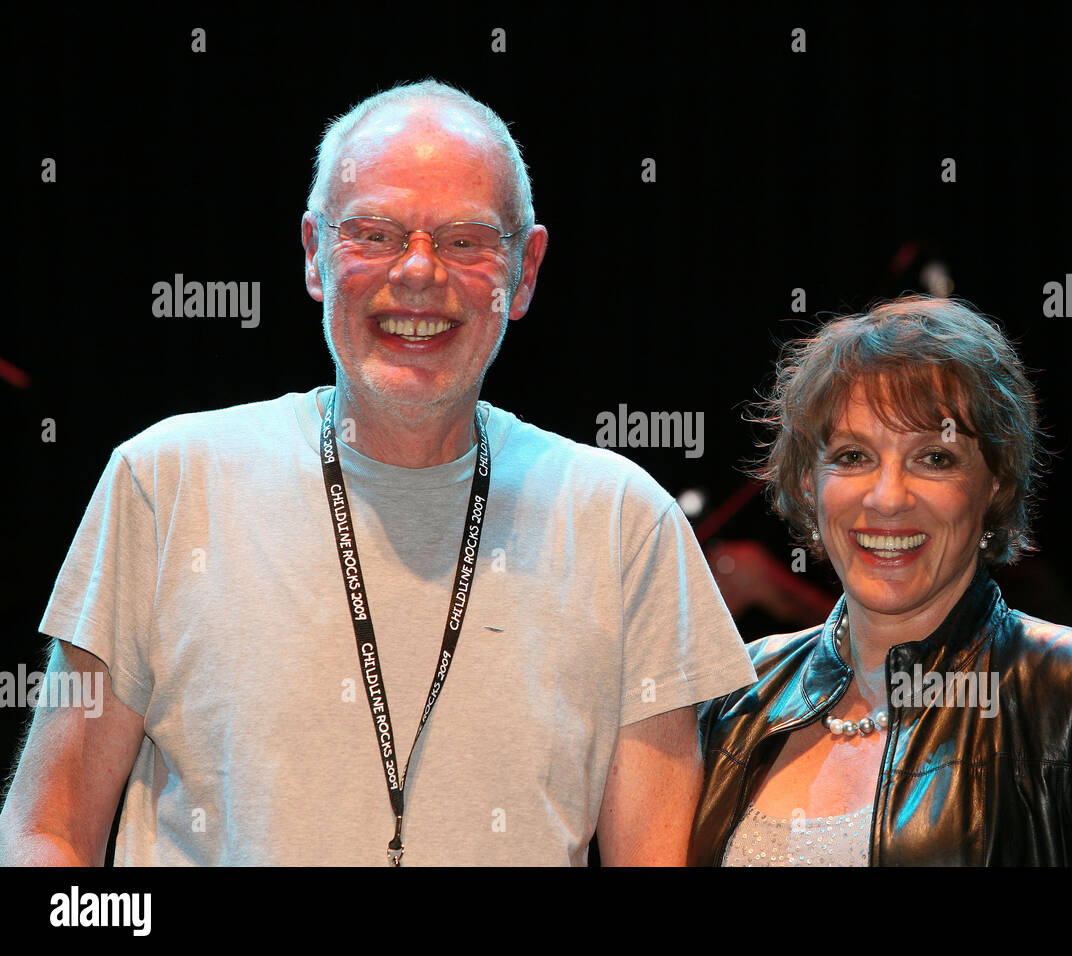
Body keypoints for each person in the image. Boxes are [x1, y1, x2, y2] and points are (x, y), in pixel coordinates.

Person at [0, 79, 756, 866]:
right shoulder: (165, 482)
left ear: (524, 271)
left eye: (466, 240)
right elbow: (45, 833)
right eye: (374, 233)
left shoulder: (624, 521)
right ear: (315, 255)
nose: (419, 273)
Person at [689, 295, 1072, 866]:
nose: (888, 497)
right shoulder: (736, 695)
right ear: (805, 483)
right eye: (852, 456)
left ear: (994, 483)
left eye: (935, 458)